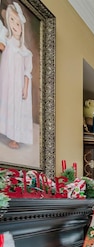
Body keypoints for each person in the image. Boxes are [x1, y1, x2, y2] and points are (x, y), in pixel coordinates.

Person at [0, 2, 33, 150]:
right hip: (6, 82)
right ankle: (5, 130)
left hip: (17, 84)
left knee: (16, 109)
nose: (14, 25)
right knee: (6, 105)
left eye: (18, 23)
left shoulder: (25, 51)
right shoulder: (7, 41)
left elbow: (27, 71)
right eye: (11, 20)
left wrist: (25, 88)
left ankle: (15, 137)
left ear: (22, 27)